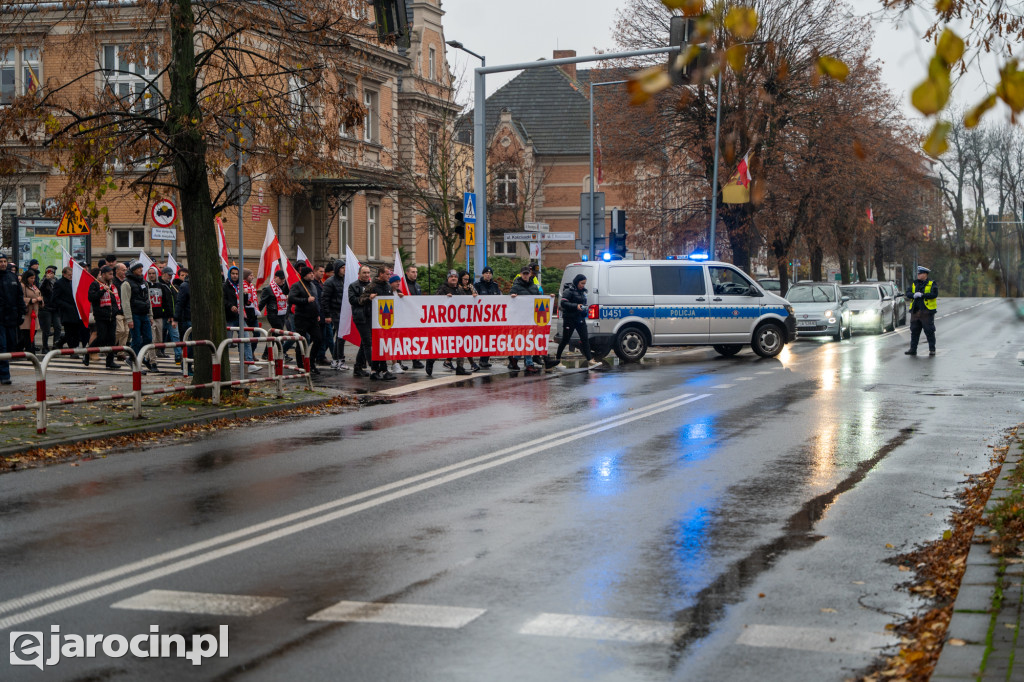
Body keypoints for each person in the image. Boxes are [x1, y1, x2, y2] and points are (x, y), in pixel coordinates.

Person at [427, 270, 473, 377]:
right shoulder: (442, 289)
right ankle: (431, 360)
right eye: (451, 276)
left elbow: (466, 302)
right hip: (445, 323)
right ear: (448, 278)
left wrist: (472, 297)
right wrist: (444, 298)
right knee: (444, 345)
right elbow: (435, 302)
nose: (453, 278)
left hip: (458, 323)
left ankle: (460, 367)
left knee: (461, 344)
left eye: (455, 277)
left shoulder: (460, 290)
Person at [556, 273, 600, 369]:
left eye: (584, 283)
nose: (583, 285)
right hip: (569, 319)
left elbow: (582, 303)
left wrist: (584, 309)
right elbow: (563, 303)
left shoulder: (582, 292)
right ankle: (557, 360)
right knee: (565, 340)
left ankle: (590, 360)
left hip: (580, 319)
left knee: (585, 339)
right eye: (581, 283)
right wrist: (576, 306)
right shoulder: (569, 291)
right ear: (577, 282)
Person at [288, 266, 322, 374]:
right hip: (301, 318)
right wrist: (305, 300)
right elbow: (291, 298)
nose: (312, 275)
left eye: (312, 273)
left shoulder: (313, 285)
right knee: (301, 342)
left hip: (313, 318)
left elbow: (316, 301)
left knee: (318, 339)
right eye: (309, 273)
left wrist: (317, 313)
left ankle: (312, 362)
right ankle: (300, 366)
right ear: (304, 275)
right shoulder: (297, 285)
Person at [87, 265, 122, 369]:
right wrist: (102, 291)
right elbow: (91, 297)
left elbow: (115, 300)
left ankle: (110, 361)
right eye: (110, 274)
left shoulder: (112, 286)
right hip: (101, 316)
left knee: (112, 339)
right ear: (103, 274)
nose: (112, 276)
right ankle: (87, 353)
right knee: (101, 338)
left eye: (112, 274)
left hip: (112, 316)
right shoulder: (95, 284)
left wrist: (116, 311)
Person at [365, 266, 396, 380]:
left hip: (385, 320)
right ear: (381, 274)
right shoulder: (372, 286)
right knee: (378, 345)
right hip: (374, 320)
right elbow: (361, 299)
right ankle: (379, 370)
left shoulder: (388, 286)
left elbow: (392, 300)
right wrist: (369, 297)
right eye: (387, 274)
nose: (389, 276)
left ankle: (378, 370)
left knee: (382, 345)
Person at [125, 260, 156, 371]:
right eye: (138, 268)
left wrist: (150, 315)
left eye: (141, 268)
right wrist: (129, 319)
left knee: (148, 338)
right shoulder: (127, 283)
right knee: (136, 340)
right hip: (134, 315)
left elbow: (148, 300)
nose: (141, 270)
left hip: (144, 314)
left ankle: (136, 356)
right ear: (133, 270)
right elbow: (125, 302)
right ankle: (135, 363)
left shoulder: (144, 282)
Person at [509, 266, 541, 374]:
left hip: (531, 317)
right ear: (521, 274)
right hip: (520, 318)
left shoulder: (534, 286)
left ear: (530, 274)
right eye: (524, 274)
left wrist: (549, 298)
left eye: (527, 273)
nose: (526, 275)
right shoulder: (516, 286)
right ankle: (529, 363)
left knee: (527, 340)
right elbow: (510, 300)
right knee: (527, 340)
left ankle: (515, 358)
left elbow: (540, 298)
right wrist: (512, 296)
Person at [0, 252, 25, 384]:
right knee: (2, 346)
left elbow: (19, 297)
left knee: (10, 346)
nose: (3, 264)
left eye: (4, 261)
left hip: (11, 317)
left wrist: (21, 313)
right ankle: (5, 375)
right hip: (0, 319)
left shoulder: (12, 277)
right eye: (0, 261)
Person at [905, 265, 938, 356]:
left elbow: (934, 294)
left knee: (929, 331)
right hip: (915, 311)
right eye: (918, 274)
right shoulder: (914, 283)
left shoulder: (932, 283)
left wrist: (923, 295)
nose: (918, 275)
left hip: (926, 311)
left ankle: (932, 349)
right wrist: (913, 295)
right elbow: (908, 293)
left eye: (920, 274)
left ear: (925, 274)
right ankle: (913, 349)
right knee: (914, 331)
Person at [348, 265, 374, 378]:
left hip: (372, 316)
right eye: (364, 273)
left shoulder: (372, 285)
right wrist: (368, 298)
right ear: (359, 274)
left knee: (364, 343)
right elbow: (352, 300)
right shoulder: (353, 286)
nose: (366, 275)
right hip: (360, 317)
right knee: (367, 342)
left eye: (368, 273)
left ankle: (358, 367)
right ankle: (373, 367)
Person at [259, 270, 292, 360]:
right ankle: (282, 353)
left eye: (283, 279)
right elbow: (262, 302)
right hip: (273, 314)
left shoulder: (285, 288)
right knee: (279, 333)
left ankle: (266, 354)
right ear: (275, 278)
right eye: (281, 279)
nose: (282, 281)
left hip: (282, 314)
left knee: (274, 334)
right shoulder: (268, 289)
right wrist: (257, 312)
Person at [321, 260, 348, 370]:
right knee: (341, 336)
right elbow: (325, 299)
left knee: (340, 336)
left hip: (343, 312)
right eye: (342, 268)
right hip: (335, 311)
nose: (344, 269)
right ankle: (339, 359)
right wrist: (327, 315)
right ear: (337, 269)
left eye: (345, 267)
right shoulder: (330, 282)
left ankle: (336, 359)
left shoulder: (344, 280)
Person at [52, 265, 86, 351]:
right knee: (70, 332)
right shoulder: (59, 283)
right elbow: (55, 298)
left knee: (76, 332)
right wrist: (66, 305)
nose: (71, 276)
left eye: (72, 274)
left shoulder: (73, 282)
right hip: (67, 312)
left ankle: (61, 343)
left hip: (76, 311)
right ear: (64, 274)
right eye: (69, 275)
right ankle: (72, 350)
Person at [475, 266, 501, 369]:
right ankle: (481, 359)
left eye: (490, 273)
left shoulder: (495, 286)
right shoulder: (477, 286)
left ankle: (485, 360)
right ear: (483, 274)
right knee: (483, 338)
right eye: (486, 273)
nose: (488, 275)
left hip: (493, 317)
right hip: (481, 317)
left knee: (490, 339)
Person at [156, 267, 181, 364]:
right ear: (163, 273)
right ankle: (156, 353)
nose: (170, 277)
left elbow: (173, 302)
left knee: (175, 336)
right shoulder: (160, 285)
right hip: (163, 316)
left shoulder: (170, 286)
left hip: (171, 316)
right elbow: (165, 302)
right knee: (159, 336)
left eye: (171, 275)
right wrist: (170, 314)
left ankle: (178, 356)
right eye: (168, 275)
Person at [457, 270, 481, 372]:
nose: (466, 281)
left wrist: (474, 296)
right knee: (462, 341)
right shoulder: (458, 288)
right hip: (459, 318)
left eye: (467, 279)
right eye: (464, 279)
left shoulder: (471, 287)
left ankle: (449, 361)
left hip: (469, 317)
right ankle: (471, 363)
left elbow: (477, 297)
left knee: (465, 341)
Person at [39, 265, 62, 351]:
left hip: (55, 308)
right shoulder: (43, 281)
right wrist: (46, 280)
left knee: (58, 327)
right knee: (46, 329)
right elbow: (41, 288)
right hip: (46, 308)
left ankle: (56, 345)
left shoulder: (56, 281)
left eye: (51, 273)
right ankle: (45, 347)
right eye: (48, 273)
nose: (50, 274)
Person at [19, 270, 43, 352]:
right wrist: (30, 300)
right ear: (26, 278)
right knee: (28, 335)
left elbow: (39, 295)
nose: (33, 280)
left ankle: (19, 348)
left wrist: (40, 300)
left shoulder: (34, 286)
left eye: (34, 278)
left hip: (34, 314)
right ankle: (30, 352)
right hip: (27, 314)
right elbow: (19, 298)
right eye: (31, 278)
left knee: (33, 333)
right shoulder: (22, 286)